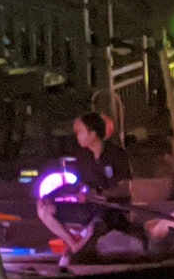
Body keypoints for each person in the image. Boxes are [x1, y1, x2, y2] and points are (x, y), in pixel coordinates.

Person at [37, 112, 133, 266]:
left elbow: (125, 189)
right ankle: (74, 245)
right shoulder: (83, 156)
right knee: (44, 209)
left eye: (80, 132)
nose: (78, 137)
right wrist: (51, 195)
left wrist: (96, 194)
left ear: (92, 134)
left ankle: (79, 254)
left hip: (112, 210)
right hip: (89, 208)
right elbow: (78, 185)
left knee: (95, 228)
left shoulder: (117, 155)